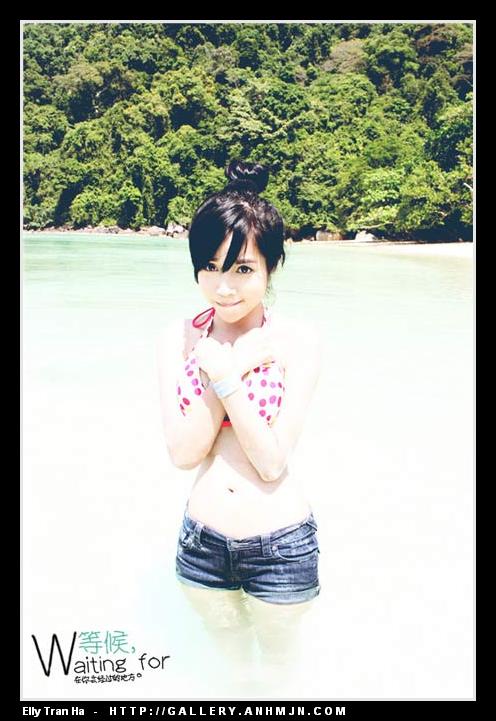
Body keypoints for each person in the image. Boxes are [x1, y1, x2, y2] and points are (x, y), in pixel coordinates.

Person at [157, 159, 323, 690]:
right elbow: (183, 454)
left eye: (243, 269)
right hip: (201, 548)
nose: (224, 287)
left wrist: (230, 377)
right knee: (228, 676)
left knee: (279, 677)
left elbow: (271, 462)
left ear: (272, 267)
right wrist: (221, 375)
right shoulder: (179, 338)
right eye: (210, 267)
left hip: (281, 549)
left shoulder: (296, 342)